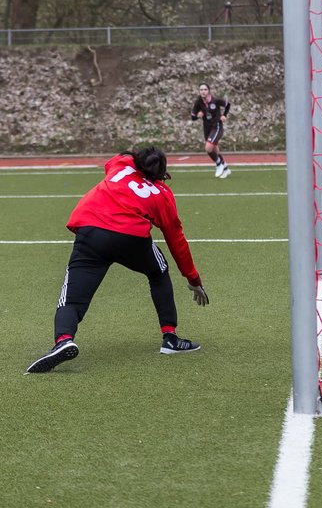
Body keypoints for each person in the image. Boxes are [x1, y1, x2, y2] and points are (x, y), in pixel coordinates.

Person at [27, 147, 209, 374]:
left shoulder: (121, 165)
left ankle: (63, 340)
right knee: (158, 271)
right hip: (130, 239)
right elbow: (176, 239)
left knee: (72, 299)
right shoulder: (162, 194)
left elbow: (119, 156)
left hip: (91, 233)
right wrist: (192, 277)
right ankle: (170, 337)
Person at [191, 82, 231, 178]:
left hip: (217, 126)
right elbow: (192, 117)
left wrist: (224, 115)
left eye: (205, 89)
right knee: (215, 150)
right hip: (207, 128)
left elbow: (228, 104)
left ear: (208, 91)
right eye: (201, 90)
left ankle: (218, 164)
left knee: (208, 148)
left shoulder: (215, 100)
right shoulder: (198, 102)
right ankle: (226, 169)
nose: (203, 91)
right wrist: (197, 116)